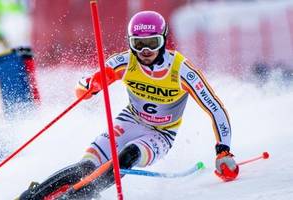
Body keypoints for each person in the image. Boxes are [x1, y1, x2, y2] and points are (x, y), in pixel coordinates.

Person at [17, 10, 239, 200]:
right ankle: (32, 196)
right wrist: (92, 85)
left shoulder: (182, 70)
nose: (145, 51)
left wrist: (223, 151)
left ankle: (76, 197)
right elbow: (80, 88)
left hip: (160, 134)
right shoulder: (124, 62)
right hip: (129, 121)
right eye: (138, 44)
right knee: (85, 167)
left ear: (163, 40)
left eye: (152, 43)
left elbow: (215, 108)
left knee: (127, 156)